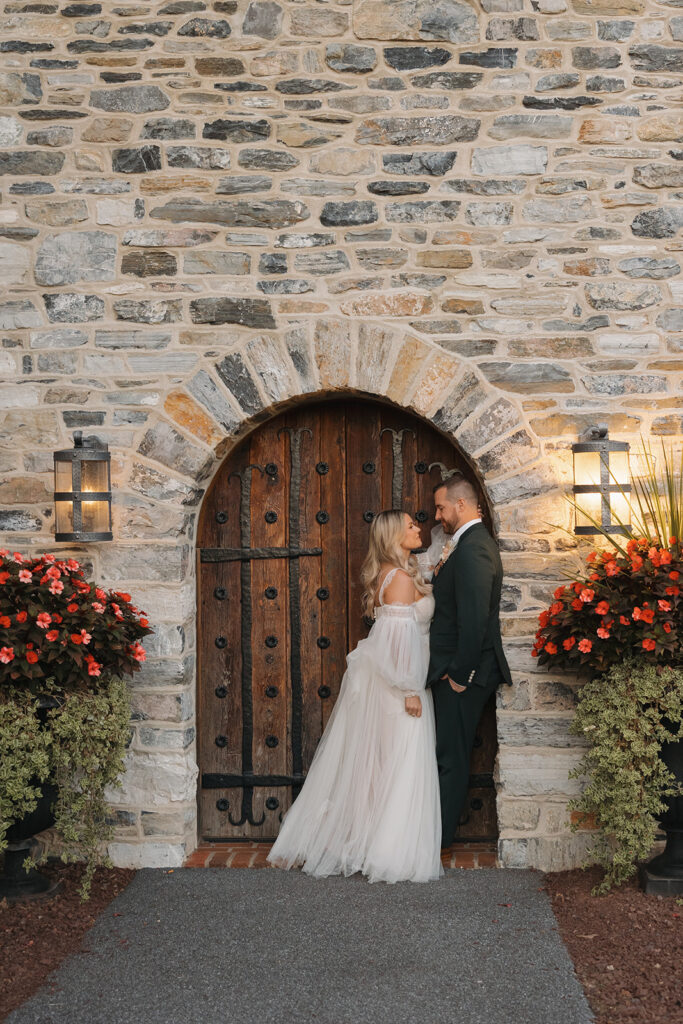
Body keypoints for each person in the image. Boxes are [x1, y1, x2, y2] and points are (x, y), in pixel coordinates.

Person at [267, 510, 442, 883]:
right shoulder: (395, 578)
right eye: (411, 525)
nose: (419, 528)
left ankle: (371, 841)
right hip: (400, 686)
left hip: (398, 681)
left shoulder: (398, 571)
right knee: (397, 763)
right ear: (395, 534)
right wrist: (410, 689)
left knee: (386, 765)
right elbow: (398, 641)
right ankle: (385, 850)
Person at [427, 473, 512, 849]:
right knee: (449, 750)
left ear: (460, 505)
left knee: (451, 754)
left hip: (464, 673)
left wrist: (460, 674)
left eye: (441, 507)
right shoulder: (464, 543)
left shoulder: (474, 547)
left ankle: (439, 838)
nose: (437, 515)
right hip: (455, 669)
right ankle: (437, 833)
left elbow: (475, 619)